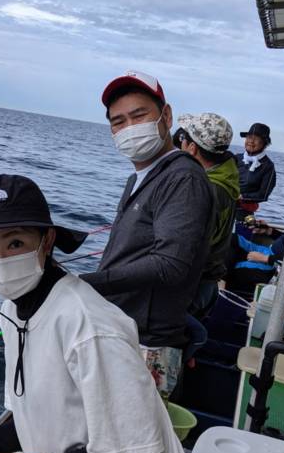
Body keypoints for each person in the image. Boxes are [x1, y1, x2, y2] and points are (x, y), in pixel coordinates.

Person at [0, 174, 234, 453]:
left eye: (15, 243)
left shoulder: (89, 324)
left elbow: (140, 450)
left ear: (47, 241)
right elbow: (47, 421)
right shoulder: (13, 312)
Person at [79, 71, 214, 397]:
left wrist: (82, 284)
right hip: (122, 331)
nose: (129, 127)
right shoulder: (139, 179)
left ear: (166, 116)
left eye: (139, 115)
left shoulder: (183, 179)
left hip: (147, 345)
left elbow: (170, 264)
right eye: (119, 122)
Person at [177, 113, 240, 318]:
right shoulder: (226, 178)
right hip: (206, 284)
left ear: (192, 148)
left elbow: (184, 245)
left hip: (190, 288)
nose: (180, 143)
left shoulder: (203, 189)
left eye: (183, 139)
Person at [235, 122, 276, 222]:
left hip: (244, 213)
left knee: (244, 230)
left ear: (264, 143)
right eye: (249, 137)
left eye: (256, 138)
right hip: (223, 208)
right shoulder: (236, 158)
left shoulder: (268, 166)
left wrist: (242, 197)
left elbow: (263, 195)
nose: (251, 141)